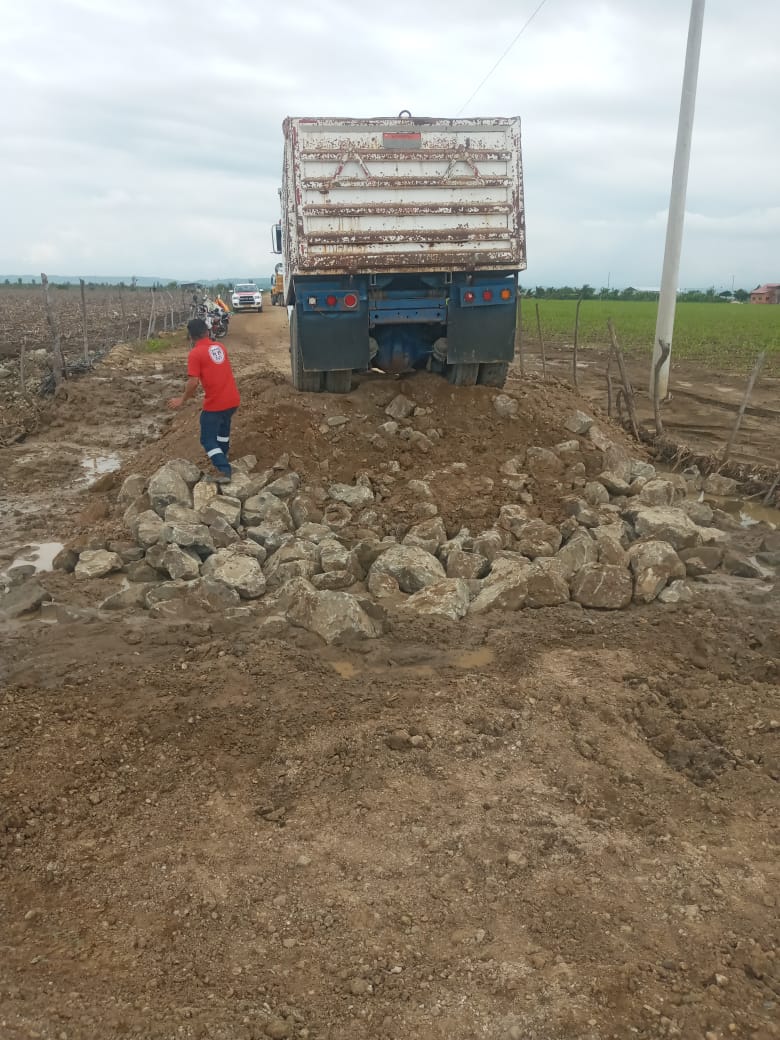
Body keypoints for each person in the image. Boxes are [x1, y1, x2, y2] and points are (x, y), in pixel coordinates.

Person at [168, 317, 240, 483]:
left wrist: (182, 399)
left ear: (191, 336)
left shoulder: (195, 353)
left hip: (215, 404)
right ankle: (223, 457)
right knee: (222, 433)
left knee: (207, 439)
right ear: (207, 332)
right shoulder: (220, 347)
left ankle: (223, 469)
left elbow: (193, 383)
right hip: (232, 400)